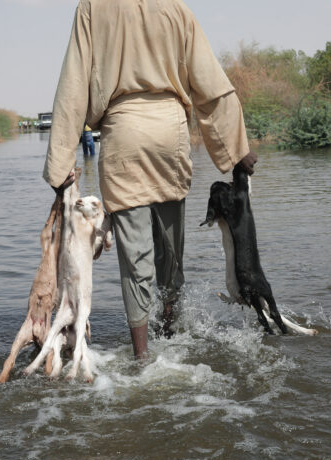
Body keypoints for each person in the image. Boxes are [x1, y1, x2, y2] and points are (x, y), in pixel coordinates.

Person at [43, 0, 257, 359]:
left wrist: (59, 163)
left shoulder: (92, 7)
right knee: (170, 253)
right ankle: (171, 333)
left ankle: (142, 355)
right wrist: (237, 148)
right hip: (169, 134)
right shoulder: (176, 8)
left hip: (122, 132)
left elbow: (74, 84)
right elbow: (209, 81)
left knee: (134, 255)